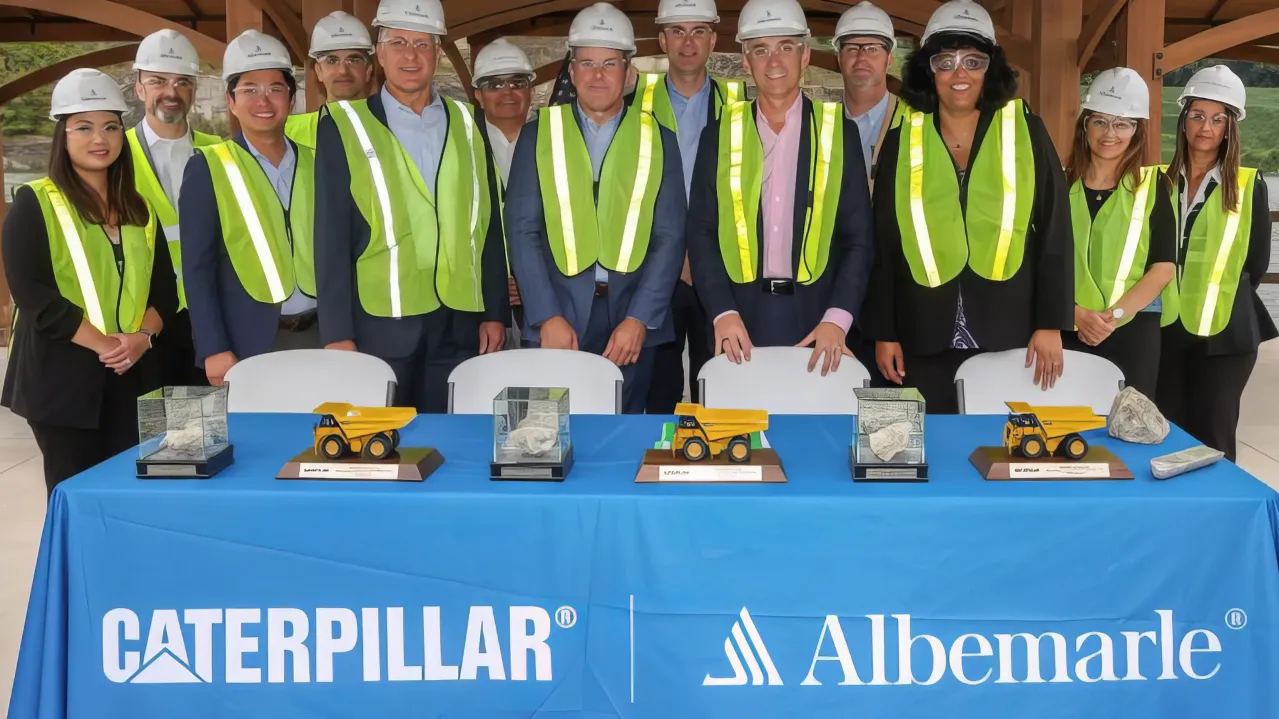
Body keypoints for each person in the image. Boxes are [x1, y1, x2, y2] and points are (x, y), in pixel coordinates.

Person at [863, 0, 1072, 413]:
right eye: (946, 61)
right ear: (929, 70)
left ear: (991, 68)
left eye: (973, 61)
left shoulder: (1024, 129)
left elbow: (1055, 229)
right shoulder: (905, 137)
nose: (960, 74)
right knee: (931, 454)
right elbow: (885, 241)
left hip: (1008, 327)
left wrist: (1051, 323)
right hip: (922, 329)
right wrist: (884, 332)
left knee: (999, 451)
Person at [314, 0, 508, 413]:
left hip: (459, 320)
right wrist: (336, 332)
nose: (410, 54)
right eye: (398, 42)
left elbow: (486, 224)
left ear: (438, 54)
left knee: (451, 446)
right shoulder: (343, 123)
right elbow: (330, 235)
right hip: (380, 323)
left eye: (422, 44)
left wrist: (496, 312)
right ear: (379, 54)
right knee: (378, 447)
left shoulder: (469, 120)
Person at [1, 69, 177, 495]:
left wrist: (141, 338)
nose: (100, 138)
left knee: (130, 500)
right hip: (63, 382)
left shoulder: (140, 208)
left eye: (110, 127)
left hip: (133, 376)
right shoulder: (34, 202)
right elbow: (35, 295)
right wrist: (108, 346)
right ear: (62, 134)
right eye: (84, 127)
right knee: (75, 500)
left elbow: (165, 293)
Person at [504, 2, 686, 414]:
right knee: (548, 435)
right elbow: (522, 231)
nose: (598, 75)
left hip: (631, 321)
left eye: (609, 63)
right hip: (556, 317)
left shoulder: (659, 139)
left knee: (622, 442)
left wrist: (639, 319)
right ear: (571, 72)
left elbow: (669, 237)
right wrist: (546, 315)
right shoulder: (538, 136)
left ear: (628, 74)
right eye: (586, 63)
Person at [685, 0, 875, 378]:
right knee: (739, 432)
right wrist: (721, 312)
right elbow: (702, 232)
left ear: (805, 56)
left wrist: (837, 320)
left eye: (786, 47)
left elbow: (859, 239)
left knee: (814, 433)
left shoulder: (839, 133)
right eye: (761, 49)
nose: (774, 61)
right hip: (738, 320)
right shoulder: (719, 134)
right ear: (745, 61)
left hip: (819, 322)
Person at [180, 31, 319, 386]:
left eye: (275, 88)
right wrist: (213, 347)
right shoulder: (208, 166)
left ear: (291, 97)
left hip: (321, 334)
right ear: (231, 100)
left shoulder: (319, 164)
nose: (264, 100)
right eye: (250, 89)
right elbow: (198, 268)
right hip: (250, 341)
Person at [1156, 65, 1275, 462]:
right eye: (1198, 115)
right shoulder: (1159, 180)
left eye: (1217, 118)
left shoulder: (1246, 183)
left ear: (1230, 127)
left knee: (1213, 437)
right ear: (1184, 120)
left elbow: (1255, 263)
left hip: (1226, 334)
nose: (1206, 127)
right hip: (1167, 327)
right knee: (1164, 430)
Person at [633, 0, 744, 412]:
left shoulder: (740, 106)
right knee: (657, 391)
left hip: (717, 271)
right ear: (662, 40)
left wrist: (701, 256)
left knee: (717, 386)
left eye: (699, 31)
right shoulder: (634, 104)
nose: (688, 41)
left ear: (713, 40)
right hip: (652, 272)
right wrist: (676, 255)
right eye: (677, 31)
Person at [1061, 68, 1174, 400]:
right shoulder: (1058, 183)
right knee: (1067, 425)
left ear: (1137, 131)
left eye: (1123, 123)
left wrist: (1114, 316)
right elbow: (1040, 259)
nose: (1110, 133)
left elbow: (1163, 267)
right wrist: (1075, 313)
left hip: (1132, 329)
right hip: (1069, 325)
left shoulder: (1155, 187)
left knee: (1131, 427)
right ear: (1085, 126)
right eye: (1100, 121)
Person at [127, 29, 221, 386]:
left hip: (206, 320)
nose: (171, 92)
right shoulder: (115, 156)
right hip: (144, 322)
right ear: (139, 88)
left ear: (193, 90)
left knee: (202, 435)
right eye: (158, 81)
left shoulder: (219, 153)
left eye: (182, 81)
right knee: (151, 434)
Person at [471, 37, 535, 346]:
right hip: (477, 308)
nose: (507, 92)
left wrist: (529, 280)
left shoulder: (553, 143)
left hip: (542, 304)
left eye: (516, 82)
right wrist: (495, 286)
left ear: (530, 90)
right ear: (478, 95)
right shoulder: (460, 145)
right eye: (494, 84)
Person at [835, 1, 907, 183]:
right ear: (839, 58)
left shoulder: (914, 122)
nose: (862, 57)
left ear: (889, 59)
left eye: (872, 49)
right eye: (852, 48)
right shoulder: (821, 126)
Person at [284, 11, 374, 149]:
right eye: (332, 61)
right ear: (319, 71)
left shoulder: (391, 128)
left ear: (368, 71)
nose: (343, 71)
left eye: (353, 60)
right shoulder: (290, 133)